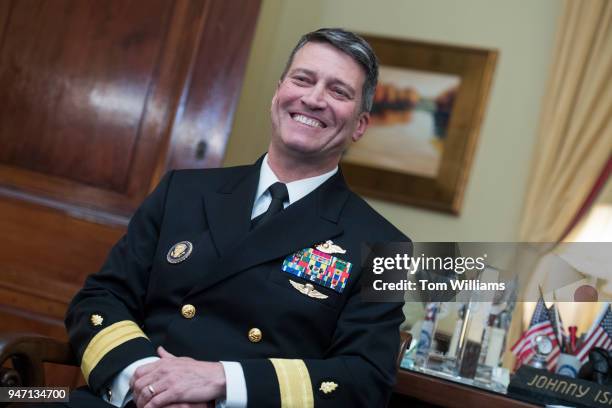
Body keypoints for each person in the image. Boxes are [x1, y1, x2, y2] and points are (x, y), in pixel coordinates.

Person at [64, 28, 409, 408]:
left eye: (338, 91)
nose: (313, 99)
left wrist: (221, 383)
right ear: (278, 93)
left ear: (360, 124)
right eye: (303, 79)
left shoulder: (385, 247)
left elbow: (364, 379)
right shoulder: (181, 191)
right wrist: (150, 385)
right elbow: (100, 299)